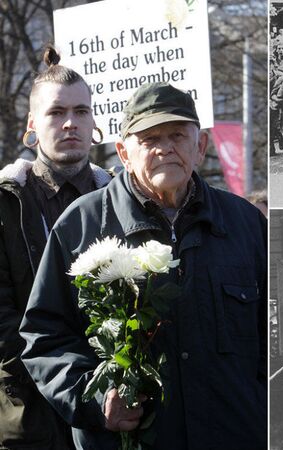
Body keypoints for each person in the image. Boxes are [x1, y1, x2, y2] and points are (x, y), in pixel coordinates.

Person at [19, 82, 267, 449]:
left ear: (200, 147)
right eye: (149, 139)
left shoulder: (246, 223)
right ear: (124, 153)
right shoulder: (81, 226)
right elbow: (44, 337)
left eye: (177, 135)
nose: (166, 148)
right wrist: (95, 398)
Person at [0, 46, 111, 449]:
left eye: (81, 112)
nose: (70, 124)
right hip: (28, 412)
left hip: (114, 408)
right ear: (32, 124)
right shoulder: (7, 202)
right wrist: (60, 377)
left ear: (94, 122)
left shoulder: (122, 199)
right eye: (56, 112)